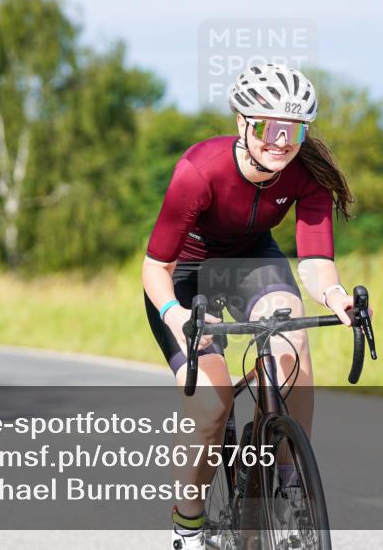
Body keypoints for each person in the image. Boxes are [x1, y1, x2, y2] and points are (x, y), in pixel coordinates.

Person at [142, 64, 356, 549]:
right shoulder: (200, 169)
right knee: (211, 407)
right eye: (267, 127)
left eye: (294, 129)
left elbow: (317, 261)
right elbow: (154, 268)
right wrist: (177, 316)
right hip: (185, 274)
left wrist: (335, 295)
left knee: (292, 343)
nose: (280, 141)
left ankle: (291, 485)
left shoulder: (308, 173)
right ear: (242, 122)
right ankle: (189, 528)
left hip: (252, 260)